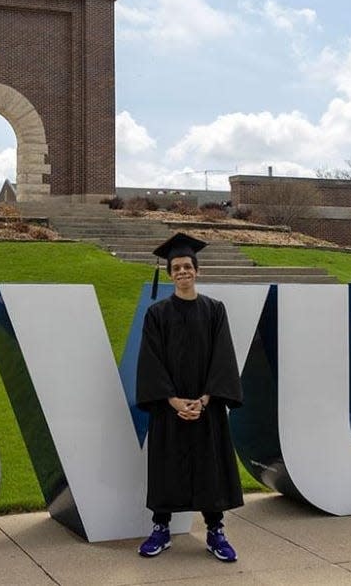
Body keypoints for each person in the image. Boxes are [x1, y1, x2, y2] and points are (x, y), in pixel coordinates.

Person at [136, 232, 244, 562]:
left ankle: (216, 531)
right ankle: (161, 529)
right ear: (169, 274)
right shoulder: (157, 315)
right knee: (167, 467)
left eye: (187, 266)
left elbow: (223, 357)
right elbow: (151, 361)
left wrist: (206, 399)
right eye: (176, 268)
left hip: (205, 407)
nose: (182, 272)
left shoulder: (214, 310)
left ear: (197, 270)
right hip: (170, 408)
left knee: (209, 468)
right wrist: (172, 400)